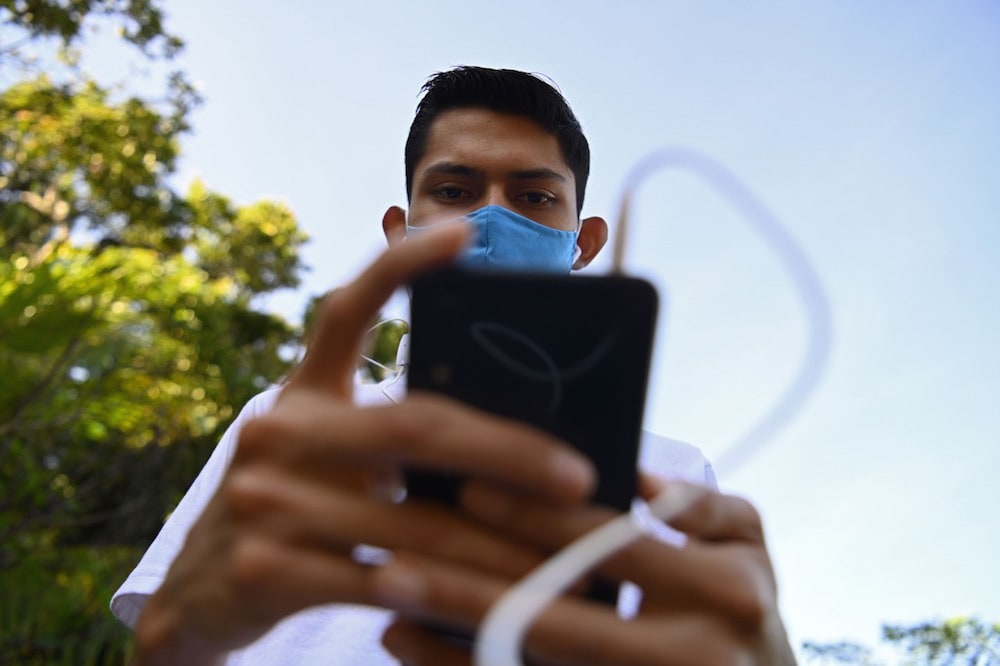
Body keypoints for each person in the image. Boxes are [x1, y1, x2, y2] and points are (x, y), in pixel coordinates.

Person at [114, 66, 795, 665]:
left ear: (583, 243)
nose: (490, 220)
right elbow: (167, 646)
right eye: (454, 190)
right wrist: (180, 633)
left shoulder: (673, 479)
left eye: (533, 197)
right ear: (398, 231)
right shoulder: (289, 428)